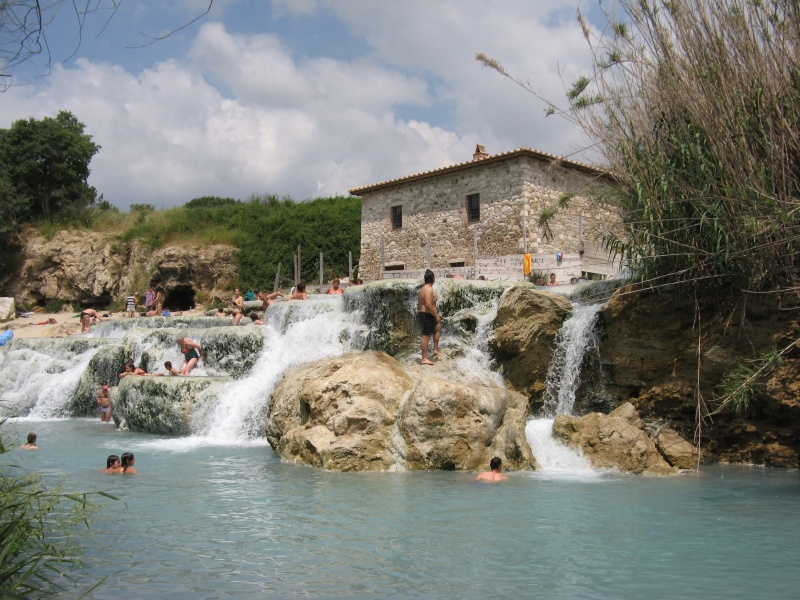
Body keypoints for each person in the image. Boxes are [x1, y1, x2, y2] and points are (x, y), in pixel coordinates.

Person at [417, 269, 441, 365]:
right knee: (426, 336)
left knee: (437, 327)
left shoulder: (425, 288)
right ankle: (424, 358)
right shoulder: (428, 289)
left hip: (429, 314)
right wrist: (436, 315)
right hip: (426, 314)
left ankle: (435, 349)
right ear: (433, 278)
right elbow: (428, 304)